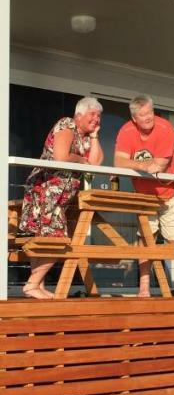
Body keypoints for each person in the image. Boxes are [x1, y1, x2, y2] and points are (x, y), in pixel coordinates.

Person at [18, 96, 105, 298]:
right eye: (93, 114)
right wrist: (81, 159)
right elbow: (60, 156)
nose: (97, 119)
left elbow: (95, 163)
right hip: (45, 190)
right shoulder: (67, 124)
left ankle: (36, 286)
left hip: (59, 198)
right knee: (58, 240)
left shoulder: (85, 137)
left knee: (46, 239)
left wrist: (95, 136)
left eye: (99, 116)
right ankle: (31, 284)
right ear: (79, 114)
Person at [115, 95, 174, 298]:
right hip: (144, 196)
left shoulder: (165, 129)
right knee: (146, 241)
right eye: (143, 114)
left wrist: (136, 164)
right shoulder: (127, 131)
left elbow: (159, 165)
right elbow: (119, 162)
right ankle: (144, 288)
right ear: (134, 118)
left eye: (150, 112)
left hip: (169, 193)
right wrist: (143, 165)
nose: (148, 117)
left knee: (173, 243)